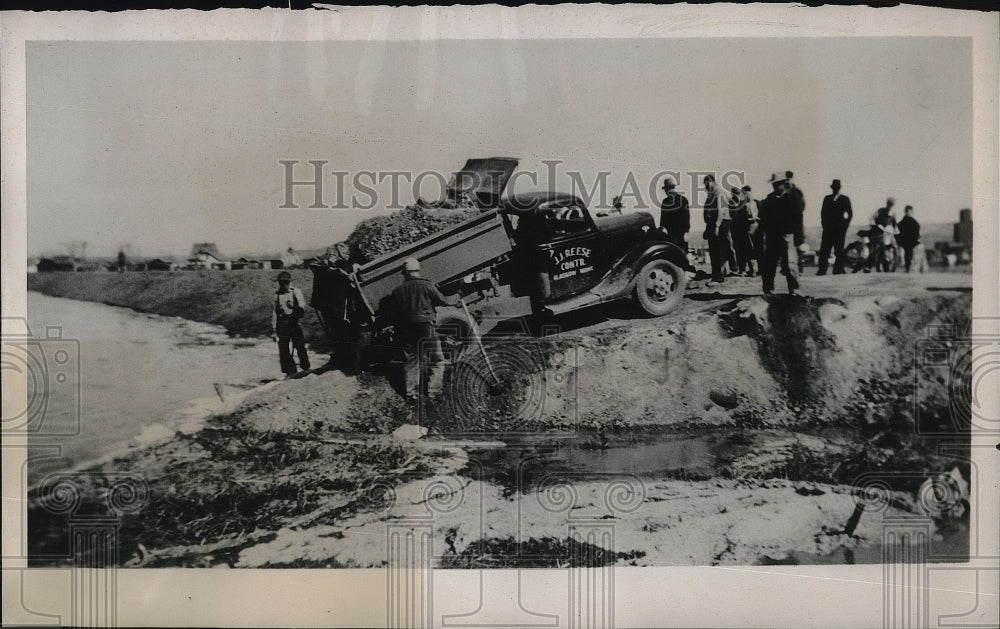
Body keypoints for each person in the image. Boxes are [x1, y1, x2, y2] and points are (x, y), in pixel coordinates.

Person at [383, 257, 460, 398]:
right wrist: (457, 297)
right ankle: (433, 391)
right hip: (425, 327)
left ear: (405, 273)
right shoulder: (426, 285)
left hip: (406, 330)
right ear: (417, 270)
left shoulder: (397, 291)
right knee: (436, 359)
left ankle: (410, 392)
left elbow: (393, 313)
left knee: (411, 360)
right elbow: (442, 301)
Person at [310, 242, 363, 372]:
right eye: (345, 253)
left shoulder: (322, 267)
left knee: (339, 336)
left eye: (347, 253)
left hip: (330, 308)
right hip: (339, 309)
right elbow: (342, 270)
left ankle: (344, 361)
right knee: (348, 335)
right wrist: (354, 266)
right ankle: (351, 365)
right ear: (338, 254)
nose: (347, 255)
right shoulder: (334, 267)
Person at [758, 172, 804, 295]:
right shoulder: (769, 199)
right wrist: (761, 233)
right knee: (769, 264)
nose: (775, 186)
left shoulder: (793, 197)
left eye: (778, 184)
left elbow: (798, 218)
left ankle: (794, 289)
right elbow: (763, 219)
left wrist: (799, 237)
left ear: (784, 184)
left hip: (787, 235)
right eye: (774, 184)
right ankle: (768, 289)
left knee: (790, 263)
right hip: (772, 236)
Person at [271, 270, 311, 376]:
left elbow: (303, 306)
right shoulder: (277, 295)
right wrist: (274, 330)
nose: (284, 285)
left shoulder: (295, 291)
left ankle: (305, 367)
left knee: (300, 345)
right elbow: (275, 312)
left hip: (293, 322)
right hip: (282, 324)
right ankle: (290, 371)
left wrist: (295, 307)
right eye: (282, 282)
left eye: (286, 282)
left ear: (289, 282)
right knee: (283, 348)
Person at [817, 179, 853, 275]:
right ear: (832, 188)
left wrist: (845, 225)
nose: (835, 189)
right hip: (828, 228)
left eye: (837, 187)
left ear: (839, 188)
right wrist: (824, 224)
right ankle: (822, 270)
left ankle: (838, 269)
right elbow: (823, 213)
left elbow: (850, 214)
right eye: (834, 187)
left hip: (840, 229)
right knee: (825, 249)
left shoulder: (845, 199)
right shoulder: (827, 198)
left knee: (839, 249)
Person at [702, 174, 733, 284]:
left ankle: (718, 277)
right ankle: (719, 274)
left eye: (706, 184)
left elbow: (721, 210)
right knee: (714, 250)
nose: (705, 187)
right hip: (714, 223)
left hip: (720, 222)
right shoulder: (711, 194)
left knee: (717, 250)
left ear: (711, 182)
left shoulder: (719, 192)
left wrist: (717, 226)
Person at [658, 175, 693, 270]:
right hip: (669, 235)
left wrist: (686, 232)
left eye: (670, 188)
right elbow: (663, 218)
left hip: (680, 234)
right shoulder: (665, 202)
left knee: (681, 255)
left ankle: (683, 275)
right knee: (671, 256)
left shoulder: (682, 200)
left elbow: (686, 217)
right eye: (667, 189)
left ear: (673, 188)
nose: (668, 191)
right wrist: (662, 229)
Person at [866, 197, 899, 272]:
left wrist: (896, 231)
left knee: (888, 247)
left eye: (891, 205)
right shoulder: (880, 210)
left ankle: (887, 264)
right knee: (873, 250)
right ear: (887, 204)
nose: (890, 206)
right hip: (878, 232)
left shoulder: (893, 214)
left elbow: (894, 225)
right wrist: (874, 225)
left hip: (887, 234)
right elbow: (873, 218)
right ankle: (868, 267)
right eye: (889, 204)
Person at [729, 185, 755, 276]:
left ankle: (750, 270)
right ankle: (746, 269)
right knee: (743, 250)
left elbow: (746, 216)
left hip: (744, 229)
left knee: (746, 250)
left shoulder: (744, 204)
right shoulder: (741, 203)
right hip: (740, 229)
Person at [897, 205, 922, 272]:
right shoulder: (914, 222)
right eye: (908, 211)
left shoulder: (903, 222)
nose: (909, 213)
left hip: (907, 240)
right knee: (909, 253)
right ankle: (908, 267)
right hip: (909, 241)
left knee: (908, 253)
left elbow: (898, 230)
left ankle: (908, 267)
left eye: (909, 211)